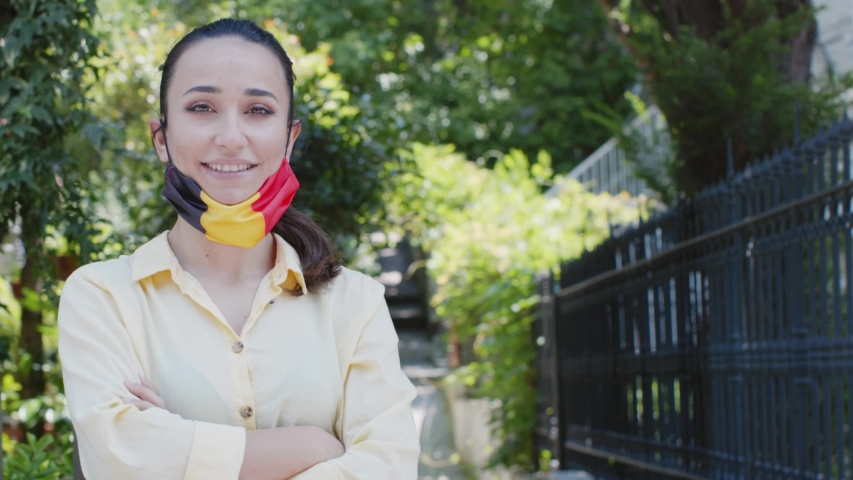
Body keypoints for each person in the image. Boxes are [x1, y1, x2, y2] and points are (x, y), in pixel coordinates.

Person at [57, 18, 420, 480]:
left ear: (289, 139)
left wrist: (179, 447)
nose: (231, 136)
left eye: (258, 111)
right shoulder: (102, 297)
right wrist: (314, 447)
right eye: (203, 107)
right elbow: (120, 459)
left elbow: (389, 468)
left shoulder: (356, 304)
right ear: (161, 138)